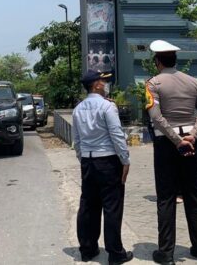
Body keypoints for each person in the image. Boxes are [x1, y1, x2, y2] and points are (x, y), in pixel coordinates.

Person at [145, 40, 197, 264]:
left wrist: (177, 140)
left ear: (157, 62)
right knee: (194, 194)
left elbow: (155, 116)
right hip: (191, 143)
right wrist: (193, 135)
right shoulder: (193, 82)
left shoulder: (153, 84)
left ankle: (166, 253)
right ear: (175, 60)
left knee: (166, 197)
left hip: (167, 144)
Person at [72, 70, 133, 265]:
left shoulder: (78, 109)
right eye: (103, 81)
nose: (106, 84)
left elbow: (77, 140)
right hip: (108, 161)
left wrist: (83, 159)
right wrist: (125, 160)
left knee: (88, 206)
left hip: (89, 162)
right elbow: (116, 135)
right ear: (96, 85)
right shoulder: (107, 107)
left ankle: (87, 250)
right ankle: (115, 253)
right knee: (112, 208)